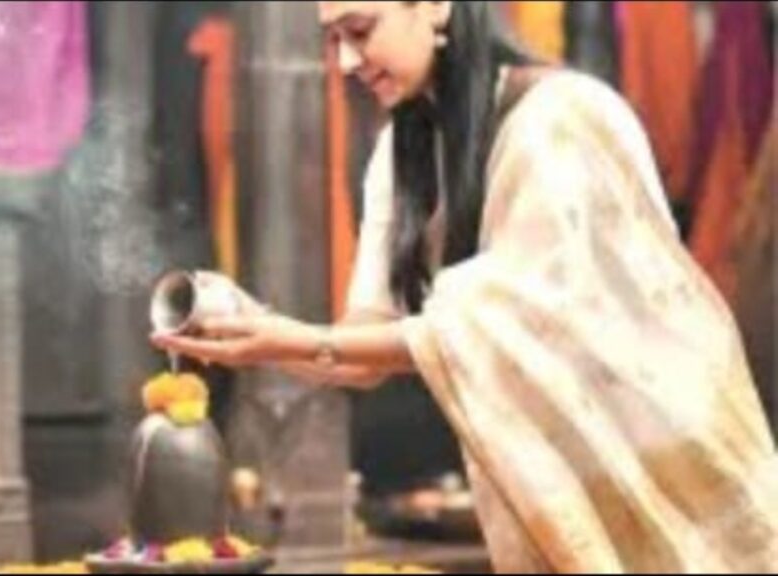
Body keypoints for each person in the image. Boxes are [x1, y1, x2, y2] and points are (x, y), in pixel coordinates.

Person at [152, 2, 778, 572]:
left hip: (666, 465)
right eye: (334, 39)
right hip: (557, 490)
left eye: (360, 31)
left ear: (434, 7)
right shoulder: (403, 147)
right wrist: (260, 331)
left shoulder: (561, 118)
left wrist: (293, 340)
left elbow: (507, 323)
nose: (345, 62)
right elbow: (366, 350)